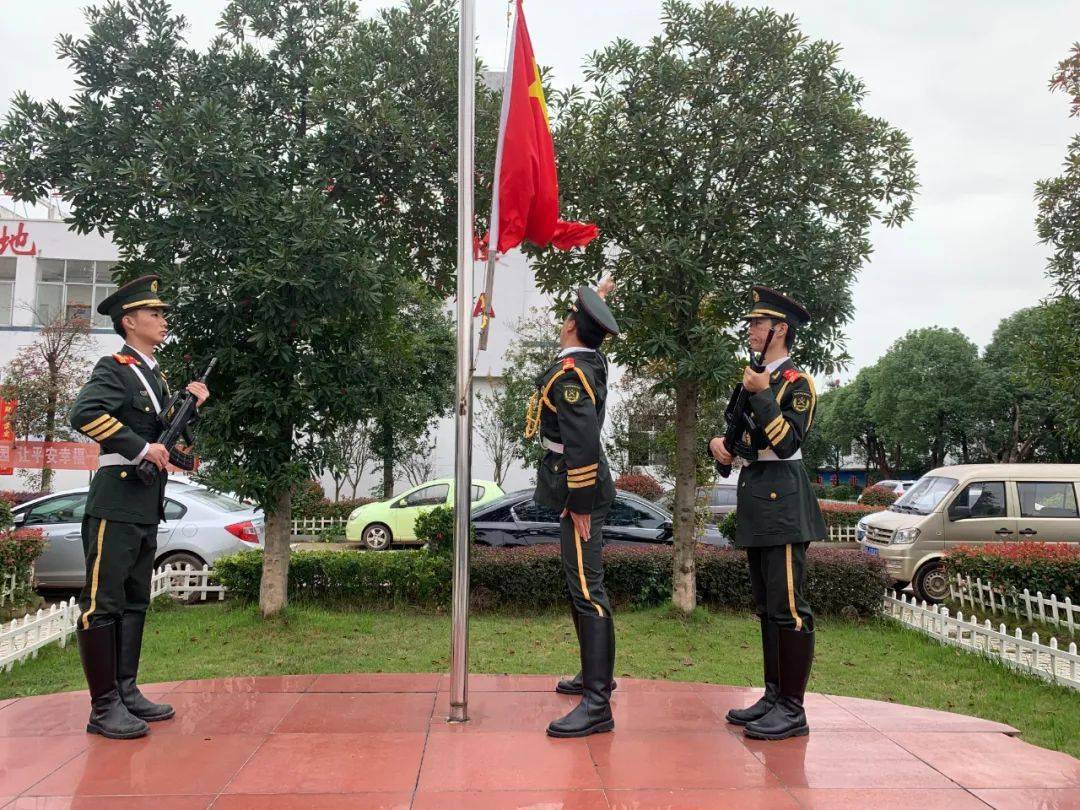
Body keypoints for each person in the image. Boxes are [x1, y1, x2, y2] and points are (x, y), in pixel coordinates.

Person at [68, 275, 209, 739]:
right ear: (129, 321)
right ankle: (103, 706)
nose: (164, 320)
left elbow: (167, 431)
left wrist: (191, 405)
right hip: (116, 497)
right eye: (155, 314)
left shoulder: (154, 375)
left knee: (133, 600)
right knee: (102, 603)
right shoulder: (114, 367)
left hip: (146, 502)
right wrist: (140, 448)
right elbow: (84, 414)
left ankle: (127, 692)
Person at [709, 285, 825, 741]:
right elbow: (742, 440)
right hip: (757, 492)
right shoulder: (754, 378)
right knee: (766, 606)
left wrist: (760, 394)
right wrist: (723, 448)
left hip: (785, 497)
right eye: (753, 323)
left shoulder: (798, 384)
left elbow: (787, 442)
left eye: (759, 323)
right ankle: (774, 695)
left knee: (790, 607)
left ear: (781, 329)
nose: (752, 330)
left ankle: (792, 709)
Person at [526, 282, 620, 738]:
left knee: (587, 589)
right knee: (580, 587)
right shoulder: (590, 363)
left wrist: (578, 503)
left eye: (568, 315)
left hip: (578, 486)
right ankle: (592, 677)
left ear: (568, 326)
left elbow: (582, 441)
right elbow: (590, 346)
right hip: (573, 482)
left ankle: (597, 704)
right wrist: (596, 301)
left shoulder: (571, 375)